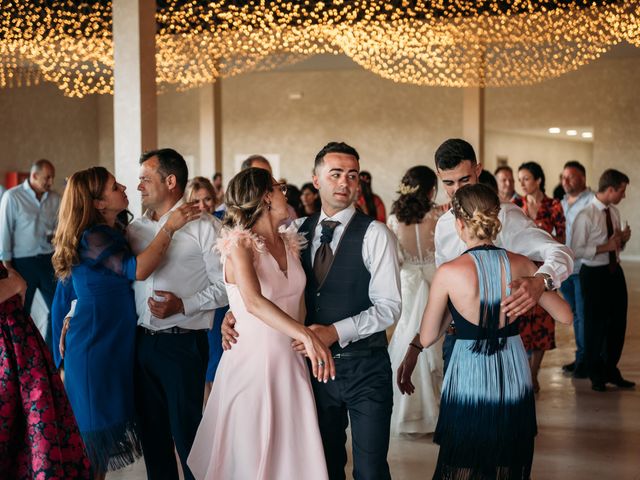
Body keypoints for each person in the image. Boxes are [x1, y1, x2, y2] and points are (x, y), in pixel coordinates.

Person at [223, 142, 402, 480]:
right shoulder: (292, 233)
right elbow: (264, 286)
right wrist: (233, 315)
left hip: (366, 367)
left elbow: (389, 308)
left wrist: (334, 331)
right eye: (335, 174)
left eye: (352, 175)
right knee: (321, 465)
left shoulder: (376, 234)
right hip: (310, 372)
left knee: (371, 469)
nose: (345, 183)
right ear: (316, 180)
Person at [399, 184, 572, 479]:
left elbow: (427, 336)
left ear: (458, 223)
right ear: (497, 220)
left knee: (465, 455)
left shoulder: (450, 272)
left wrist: (414, 350)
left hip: (469, 371)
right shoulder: (521, 264)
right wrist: (539, 282)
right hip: (513, 370)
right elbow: (566, 315)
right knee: (507, 456)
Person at [187, 168, 333, 480]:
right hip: (252, 364)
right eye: (279, 188)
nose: (285, 192)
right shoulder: (240, 244)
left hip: (290, 362)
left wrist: (302, 335)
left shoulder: (289, 242)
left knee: (290, 456)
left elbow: (298, 301)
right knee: (251, 456)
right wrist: (306, 335)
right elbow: (252, 301)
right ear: (266, 196)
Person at [51, 166, 198, 477]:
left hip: (115, 342)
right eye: (114, 186)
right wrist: (169, 228)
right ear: (99, 203)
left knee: (102, 444)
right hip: (96, 347)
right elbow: (138, 270)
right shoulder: (93, 236)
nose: (125, 187)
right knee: (93, 442)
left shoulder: (113, 230)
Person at [399, 139, 573, 375]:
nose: (458, 190)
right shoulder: (443, 225)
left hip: (503, 342)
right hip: (455, 339)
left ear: (478, 170)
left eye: (465, 179)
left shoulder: (508, 216)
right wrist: (416, 346)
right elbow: (448, 301)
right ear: (439, 177)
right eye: (449, 183)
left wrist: (541, 281)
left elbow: (559, 251)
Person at [127, 149, 228, 480]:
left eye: (146, 178)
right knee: (153, 441)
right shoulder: (134, 229)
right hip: (141, 344)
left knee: (188, 440)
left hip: (183, 346)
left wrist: (183, 304)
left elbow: (227, 288)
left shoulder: (206, 228)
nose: (139, 186)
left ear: (170, 181)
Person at [0, 264, 92, 479]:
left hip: (18, 345)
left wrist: (13, 280)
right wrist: (14, 283)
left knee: (38, 436)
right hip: (10, 350)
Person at [387, 165, 443, 435]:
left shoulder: (394, 219)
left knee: (408, 332)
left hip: (409, 280)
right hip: (435, 278)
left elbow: (396, 260)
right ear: (431, 189)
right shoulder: (439, 216)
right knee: (437, 336)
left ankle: (410, 412)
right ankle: (440, 407)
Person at [570, 169, 635, 392]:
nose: (623, 196)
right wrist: (604, 247)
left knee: (617, 324)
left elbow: (614, 244)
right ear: (610, 189)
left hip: (614, 272)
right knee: (595, 325)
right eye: (622, 191)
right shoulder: (585, 215)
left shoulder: (613, 212)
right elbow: (576, 250)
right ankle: (595, 373)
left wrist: (622, 241)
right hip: (594, 275)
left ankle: (611, 369)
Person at [516, 161, 566, 392]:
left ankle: (534, 373)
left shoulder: (554, 206)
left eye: (526, 178)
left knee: (543, 326)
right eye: (520, 179)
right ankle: (524, 372)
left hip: (545, 273)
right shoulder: (515, 206)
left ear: (538, 180)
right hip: (522, 272)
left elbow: (562, 241)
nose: (522, 184)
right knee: (522, 324)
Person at [0, 159, 60, 348]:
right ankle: (21, 355)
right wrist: (8, 267)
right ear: (34, 176)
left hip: (49, 261)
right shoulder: (12, 197)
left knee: (58, 309)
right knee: (20, 313)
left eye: (52, 178)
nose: (51, 182)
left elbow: (60, 229)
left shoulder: (55, 198)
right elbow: (4, 232)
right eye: (47, 178)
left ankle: (51, 356)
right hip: (22, 263)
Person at [185, 176, 229, 405]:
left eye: (208, 199)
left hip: (224, 301)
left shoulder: (224, 223)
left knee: (220, 360)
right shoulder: (185, 230)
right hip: (201, 300)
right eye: (196, 201)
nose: (203, 206)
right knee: (207, 364)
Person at [559, 160, 594, 378]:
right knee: (574, 316)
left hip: (583, 268)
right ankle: (581, 356)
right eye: (563, 177)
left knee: (584, 316)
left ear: (582, 178)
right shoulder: (560, 203)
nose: (565, 181)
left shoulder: (592, 201)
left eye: (570, 176)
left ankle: (585, 360)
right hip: (565, 269)